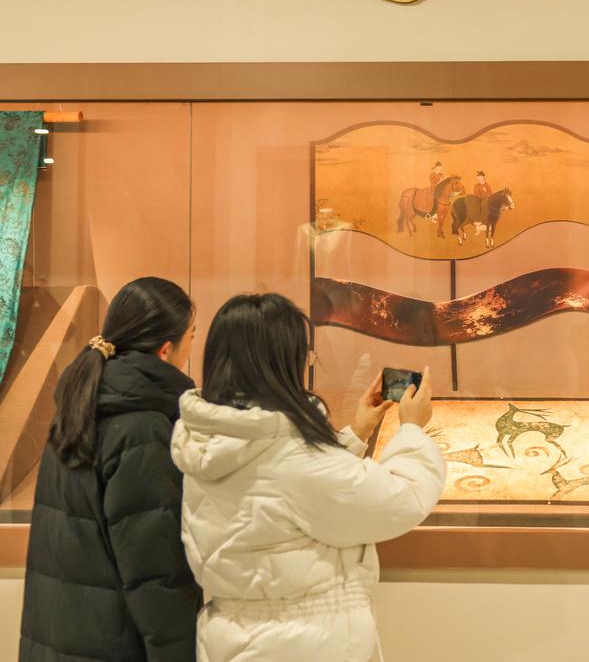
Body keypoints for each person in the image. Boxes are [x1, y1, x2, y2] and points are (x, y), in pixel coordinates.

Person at [172, 293, 446, 662]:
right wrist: (412, 428)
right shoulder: (290, 452)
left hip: (233, 637)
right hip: (304, 642)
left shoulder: (213, 437)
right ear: (281, 362)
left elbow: (287, 495)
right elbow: (399, 500)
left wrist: (355, 434)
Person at [21, 277, 200, 661]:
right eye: (192, 336)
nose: (192, 347)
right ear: (166, 349)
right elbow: (156, 575)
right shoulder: (142, 427)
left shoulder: (76, 409)